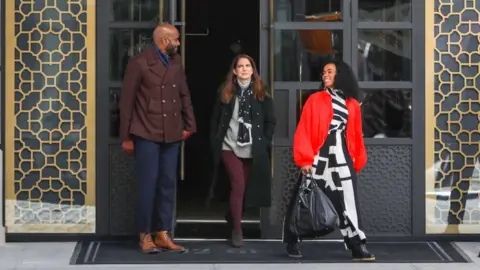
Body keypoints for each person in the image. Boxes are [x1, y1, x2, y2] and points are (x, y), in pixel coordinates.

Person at [283, 60, 375, 261]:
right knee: (304, 198)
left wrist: (358, 159)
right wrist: (305, 159)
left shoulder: (352, 104)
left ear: (340, 75)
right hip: (318, 157)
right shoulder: (315, 99)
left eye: (330, 72)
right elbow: (304, 131)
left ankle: (357, 244)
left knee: (349, 202)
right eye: (324, 71)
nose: (325, 75)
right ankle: (292, 240)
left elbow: (356, 134)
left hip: (342, 157)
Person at [119, 24, 196, 254]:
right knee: (148, 185)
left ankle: (163, 233)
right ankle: (144, 235)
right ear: (164, 40)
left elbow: (184, 94)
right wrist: (126, 137)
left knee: (167, 185)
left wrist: (190, 125)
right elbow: (126, 102)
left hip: (171, 133)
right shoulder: (140, 63)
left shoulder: (176, 62)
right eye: (176, 39)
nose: (179, 43)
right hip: (146, 132)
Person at [208, 54, 276, 247]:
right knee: (238, 185)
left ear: (253, 70)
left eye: (248, 66)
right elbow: (215, 119)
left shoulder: (262, 92)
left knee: (244, 190)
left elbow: (270, 120)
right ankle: (237, 230)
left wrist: (264, 141)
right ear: (235, 70)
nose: (245, 69)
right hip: (229, 145)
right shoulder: (226, 91)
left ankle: (232, 215)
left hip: (252, 148)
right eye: (241, 66)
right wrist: (215, 142)